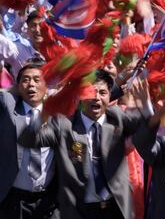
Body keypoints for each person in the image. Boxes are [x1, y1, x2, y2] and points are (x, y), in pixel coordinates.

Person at [18, 69, 153, 219]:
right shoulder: (63, 124)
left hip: (116, 209)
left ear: (110, 96)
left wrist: (147, 108)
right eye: (90, 92)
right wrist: (46, 111)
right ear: (79, 96)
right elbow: (28, 139)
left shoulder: (117, 117)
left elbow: (146, 136)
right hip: (79, 211)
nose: (96, 98)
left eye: (102, 93)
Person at [0, 58, 59, 219]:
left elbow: (90, 106)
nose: (31, 84)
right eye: (25, 80)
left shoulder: (57, 116)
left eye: (37, 79)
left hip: (49, 202)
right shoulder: (7, 111)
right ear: (18, 87)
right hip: (13, 201)